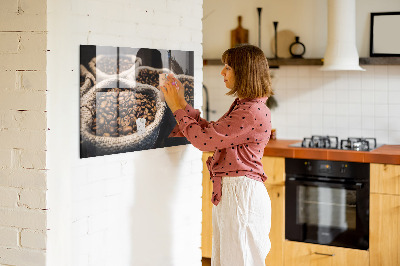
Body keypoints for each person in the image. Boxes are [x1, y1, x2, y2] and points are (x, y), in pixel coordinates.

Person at [161, 44, 273, 266]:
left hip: (241, 195)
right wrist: (182, 103)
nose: (222, 72)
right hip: (236, 193)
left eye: (228, 67)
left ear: (244, 72)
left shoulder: (250, 111)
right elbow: (212, 133)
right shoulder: (246, 106)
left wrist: (176, 107)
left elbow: (204, 141)